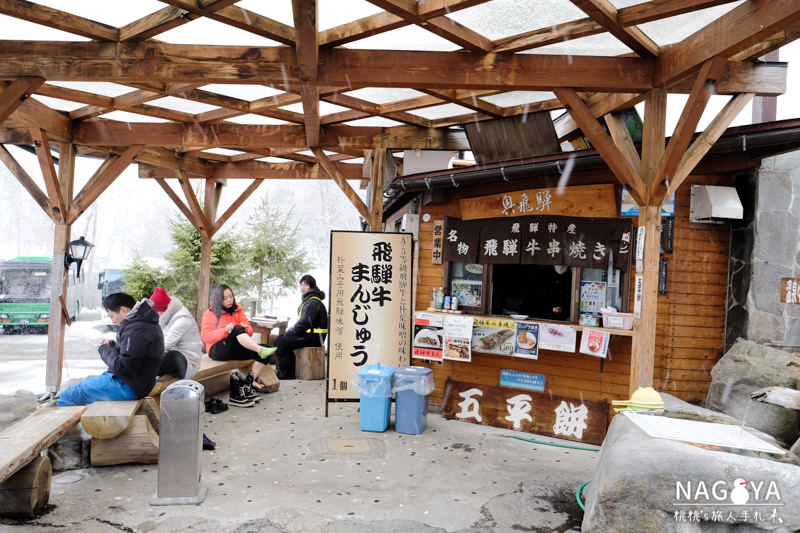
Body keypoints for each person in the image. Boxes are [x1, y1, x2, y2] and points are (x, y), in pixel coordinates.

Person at [57, 293, 163, 406]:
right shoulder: (142, 324)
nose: (112, 321)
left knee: (68, 396)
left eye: (111, 316)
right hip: (136, 382)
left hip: (128, 386)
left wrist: (104, 350)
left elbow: (123, 368)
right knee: (77, 388)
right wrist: (112, 346)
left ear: (123, 310)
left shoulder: (137, 329)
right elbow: (133, 355)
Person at [200, 284, 272, 406]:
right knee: (236, 330)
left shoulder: (237, 310)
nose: (229, 300)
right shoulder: (210, 313)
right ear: (219, 299)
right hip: (217, 349)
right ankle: (259, 349)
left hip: (235, 346)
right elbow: (206, 336)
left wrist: (245, 328)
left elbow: (249, 330)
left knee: (268, 349)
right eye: (225, 298)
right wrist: (225, 330)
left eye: (231, 296)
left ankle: (249, 384)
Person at [270, 274, 328, 380]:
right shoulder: (309, 300)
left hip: (314, 338)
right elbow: (304, 324)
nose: (302, 287)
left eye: (305, 285)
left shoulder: (313, 302)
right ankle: (290, 370)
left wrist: (290, 332)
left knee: (281, 342)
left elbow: (304, 323)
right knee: (282, 340)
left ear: (312, 286)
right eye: (301, 285)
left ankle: (287, 373)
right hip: (311, 335)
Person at [149, 287, 202, 380]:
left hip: (189, 361)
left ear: (161, 309)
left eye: (154, 311)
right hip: (175, 357)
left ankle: (138, 373)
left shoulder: (182, 319)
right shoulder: (165, 318)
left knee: (171, 356)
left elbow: (165, 344)